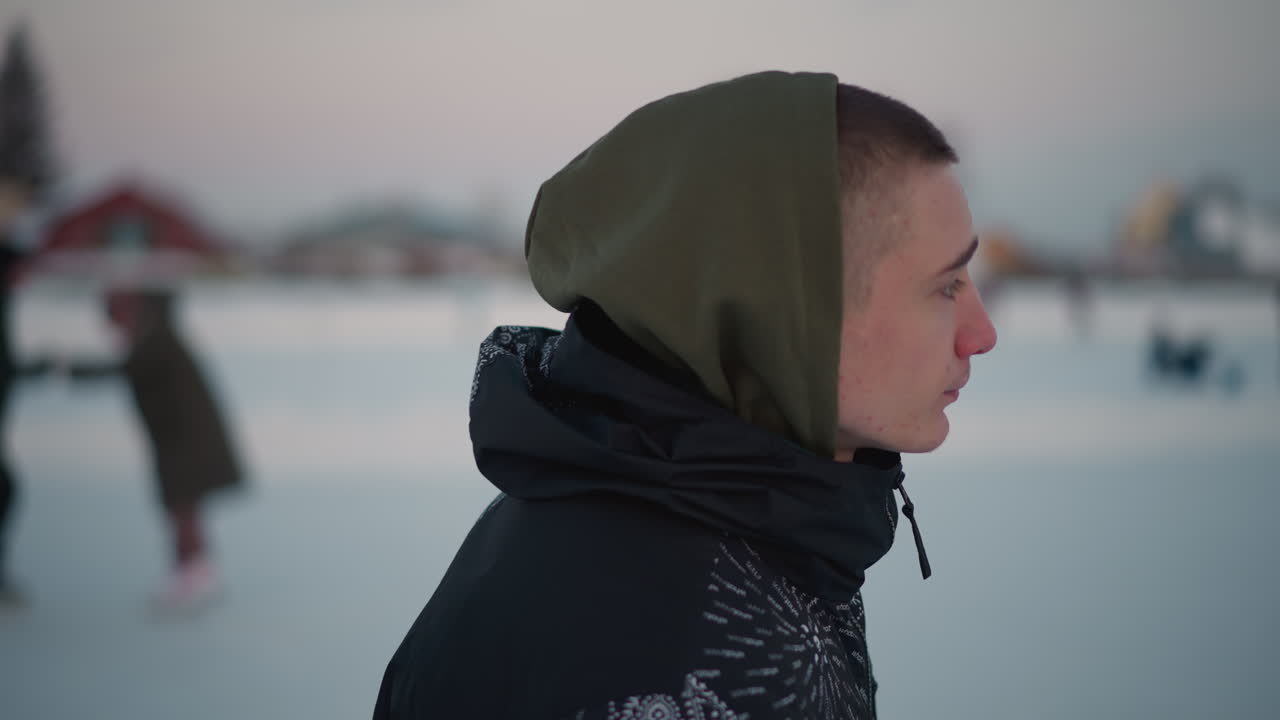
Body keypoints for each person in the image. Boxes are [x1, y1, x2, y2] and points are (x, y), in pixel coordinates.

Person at [374, 71, 997, 719]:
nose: (982, 335)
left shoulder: (641, 501)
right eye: (946, 286)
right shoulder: (690, 673)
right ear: (784, 310)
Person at [66, 287, 243, 613]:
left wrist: (67, 370)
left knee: (183, 508)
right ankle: (193, 572)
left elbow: (127, 369)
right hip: (180, 440)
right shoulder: (155, 336)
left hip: (186, 442)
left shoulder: (156, 339)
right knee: (183, 508)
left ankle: (195, 575)